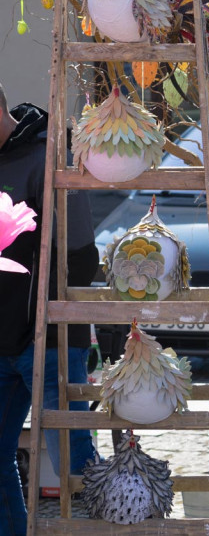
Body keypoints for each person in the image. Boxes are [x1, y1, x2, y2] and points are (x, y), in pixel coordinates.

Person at [0, 83, 99, 534]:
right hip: (2, 341)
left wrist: (48, 321)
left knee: (75, 461)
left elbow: (81, 255)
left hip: (50, 337)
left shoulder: (47, 157)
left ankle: (103, 526)